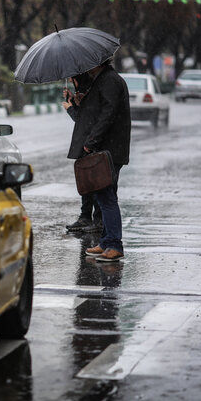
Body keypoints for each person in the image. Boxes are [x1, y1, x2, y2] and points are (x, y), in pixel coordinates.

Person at [62, 60, 131, 261]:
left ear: (96, 62)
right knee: (103, 196)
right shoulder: (103, 80)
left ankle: (115, 244)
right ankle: (106, 242)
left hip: (109, 149)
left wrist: (91, 142)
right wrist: (77, 101)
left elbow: (107, 115)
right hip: (107, 148)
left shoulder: (109, 81)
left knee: (108, 198)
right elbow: (94, 111)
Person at [64, 76, 103, 234]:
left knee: (94, 184)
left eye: (72, 78)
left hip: (91, 144)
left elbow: (84, 119)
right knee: (86, 182)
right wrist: (74, 101)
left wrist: (70, 108)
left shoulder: (93, 87)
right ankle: (85, 217)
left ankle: (96, 219)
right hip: (87, 144)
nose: (71, 80)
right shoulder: (88, 88)